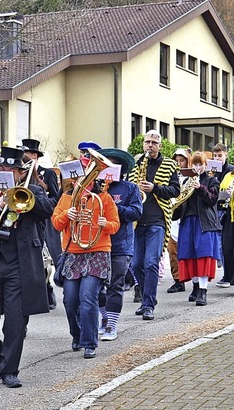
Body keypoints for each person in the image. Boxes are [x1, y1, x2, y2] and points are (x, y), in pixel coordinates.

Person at [0, 146, 54, 388]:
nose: (3, 171)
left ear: (19, 172)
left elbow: (47, 211)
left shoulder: (33, 190)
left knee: (16, 319)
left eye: (9, 169)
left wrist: (23, 195)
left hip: (20, 264)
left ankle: (10, 370)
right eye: (0, 168)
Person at [51, 157, 120, 358]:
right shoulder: (66, 197)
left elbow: (115, 225)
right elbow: (55, 224)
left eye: (87, 174)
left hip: (98, 252)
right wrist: (67, 215)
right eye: (80, 175)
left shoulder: (104, 197)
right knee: (70, 300)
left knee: (88, 297)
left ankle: (90, 342)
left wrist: (103, 223)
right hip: (74, 253)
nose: (82, 180)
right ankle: (77, 334)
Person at [128, 130, 180, 320]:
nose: (150, 145)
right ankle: (146, 298)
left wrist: (155, 188)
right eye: (147, 142)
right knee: (136, 264)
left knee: (151, 263)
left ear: (159, 145)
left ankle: (148, 304)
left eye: (153, 142)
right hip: (137, 222)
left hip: (157, 220)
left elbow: (175, 190)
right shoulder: (135, 165)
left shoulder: (169, 164)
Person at [96, 148, 143, 341]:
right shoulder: (93, 188)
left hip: (120, 244)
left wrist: (114, 208)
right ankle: (105, 318)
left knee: (115, 285)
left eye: (113, 166)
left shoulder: (130, 188)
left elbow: (136, 212)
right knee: (95, 287)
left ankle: (111, 326)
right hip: (97, 244)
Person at [173, 151, 221, 305]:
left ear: (205, 165)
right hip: (187, 221)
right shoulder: (185, 181)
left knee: (203, 255)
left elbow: (211, 200)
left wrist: (200, 187)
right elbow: (180, 204)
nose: (198, 167)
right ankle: (195, 286)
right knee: (188, 254)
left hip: (204, 223)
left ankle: (203, 291)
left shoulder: (212, 181)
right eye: (195, 164)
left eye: (201, 164)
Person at [21, 138, 62, 310]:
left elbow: (55, 197)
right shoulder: (19, 172)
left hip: (45, 218)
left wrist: (42, 199)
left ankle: (48, 288)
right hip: (26, 218)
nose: (24, 156)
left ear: (34, 155)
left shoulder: (48, 173)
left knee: (48, 256)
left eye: (27, 153)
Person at [165, 148, 192, 294]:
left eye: (182, 160)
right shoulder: (171, 175)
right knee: (172, 249)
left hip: (186, 216)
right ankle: (178, 280)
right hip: (172, 215)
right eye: (176, 160)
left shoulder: (192, 177)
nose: (179, 163)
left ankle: (194, 280)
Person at [210, 143, 234, 288]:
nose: (217, 158)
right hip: (215, 208)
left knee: (225, 244)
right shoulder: (212, 170)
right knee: (221, 243)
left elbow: (226, 192)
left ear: (226, 154)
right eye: (215, 156)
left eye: (220, 155)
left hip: (225, 209)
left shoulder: (231, 170)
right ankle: (226, 274)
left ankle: (227, 275)